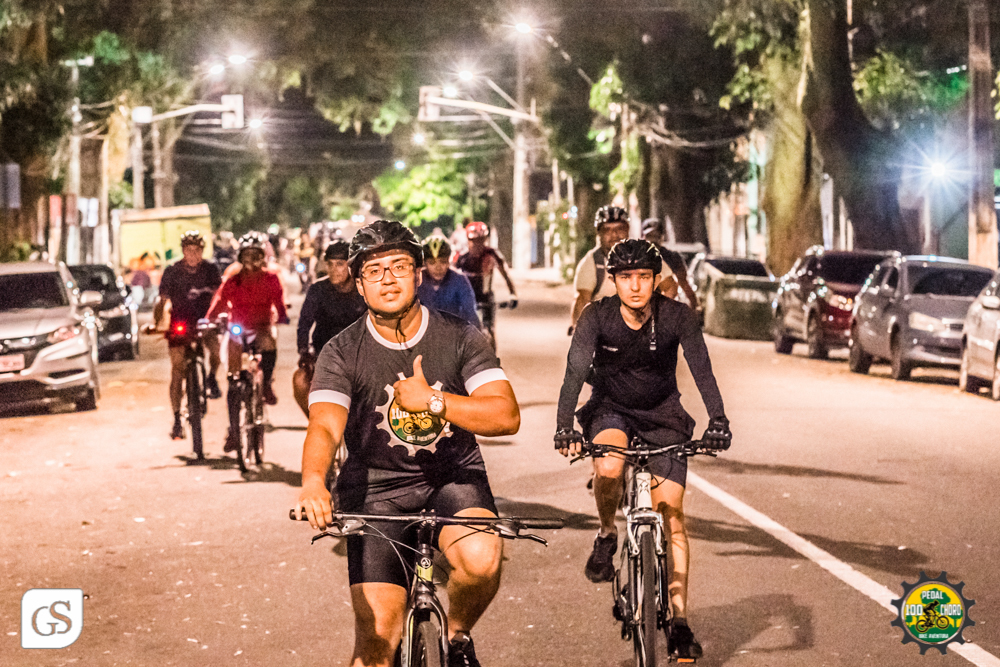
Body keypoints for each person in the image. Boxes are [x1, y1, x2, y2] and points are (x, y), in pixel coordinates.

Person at [296, 220, 520, 667]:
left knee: (482, 559)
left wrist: (434, 401)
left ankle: (457, 637)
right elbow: (323, 426)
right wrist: (312, 482)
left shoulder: (460, 335)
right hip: (375, 490)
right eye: (374, 271)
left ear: (418, 274)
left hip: (453, 477)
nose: (388, 278)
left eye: (399, 266)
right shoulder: (340, 352)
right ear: (359, 285)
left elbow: (505, 415)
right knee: (377, 641)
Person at [553, 239, 732, 661]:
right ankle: (607, 533)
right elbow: (574, 373)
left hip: (664, 415)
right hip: (610, 410)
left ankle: (681, 622)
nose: (635, 286)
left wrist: (718, 419)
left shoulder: (677, 317)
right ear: (612, 281)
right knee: (610, 468)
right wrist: (564, 426)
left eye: (644, 278)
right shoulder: (596, 317)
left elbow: (702, 369)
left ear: (657, 280)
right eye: (626, 278)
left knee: (672, 514)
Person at [206, 232, 290, 452]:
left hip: (261, 327)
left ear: (263, 257)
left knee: (269, 342)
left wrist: (281, 316)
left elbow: (279, 303)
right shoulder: (233, 280)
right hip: (238, 329)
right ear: (240, 258)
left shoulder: (271, 279)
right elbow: (219, 303)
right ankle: (233, 431)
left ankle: (267, 385)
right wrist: (209, 321)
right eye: (247, 256)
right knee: (233, 380)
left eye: (256, 255)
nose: (251, 260)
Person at [145, 230, 223, 442]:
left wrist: (222, 318)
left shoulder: (211, 270)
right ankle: (177, 418)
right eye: (189, 250)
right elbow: (161, 301)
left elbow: (220, 296)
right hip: (180, 322)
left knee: (216, 351)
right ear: (183, 251)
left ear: (202, 251)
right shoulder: (172, 272)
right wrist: (156, 323)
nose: (193, 255)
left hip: (205, 320)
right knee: (177, 368)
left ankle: (211, 379)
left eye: (197, 250)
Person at [293, 240, 367, 416]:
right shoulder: (318, 290)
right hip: (324, 353)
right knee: (300, 381)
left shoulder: (365, 289)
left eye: (340, 264)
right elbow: (304, 324)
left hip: (362, 356)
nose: (334, 269)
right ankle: (317, 424)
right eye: (330, 264)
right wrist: (303, 350)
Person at [454, 221, 517, 344]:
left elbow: (506, 275)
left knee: (489, 329)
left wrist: (513, 294)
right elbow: (451, 278)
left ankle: (491, 356)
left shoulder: (492, 254)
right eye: (474, 241)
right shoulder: (461, 258)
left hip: (486, 298)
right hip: (466, 299)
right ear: (468, 240)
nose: (478, 245)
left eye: (481, 240)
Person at [418, 235, 480, 327]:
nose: (438, 268)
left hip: (453, 333)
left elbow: (470, 312)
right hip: (422, 335)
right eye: (432, 263)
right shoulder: (415, 281)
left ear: (448, 261)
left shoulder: (460, 280)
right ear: (424, 263)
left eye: (443, 262)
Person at [641, 218, 699, 307]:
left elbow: (684, 284)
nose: (652, 240)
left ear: (662, 238)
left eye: (656, 236)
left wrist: (694, 306)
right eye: (649, 236)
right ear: (642, 238)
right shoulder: (635, 258)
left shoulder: (672, 258)